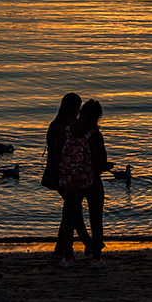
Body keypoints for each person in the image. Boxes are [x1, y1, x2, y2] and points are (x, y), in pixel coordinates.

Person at [57, 98, 111, 268]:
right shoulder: (95, 135)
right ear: (97, 117)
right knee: (96, 219)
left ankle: (68, 257)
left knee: (69, 219)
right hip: (93, 181)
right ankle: (96, 258)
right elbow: (101, 161)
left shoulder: (68, 132)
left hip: (71, 181)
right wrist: (106, 167)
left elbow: (60, 156)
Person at [43, 93, 91, 259]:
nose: (78, 111)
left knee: (71, 209)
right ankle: (87, 244)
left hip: (57, 172)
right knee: (73, 210)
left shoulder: (55, 124)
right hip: (66, 174)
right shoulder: (69, 127)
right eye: (77, 107)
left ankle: (61, 246)